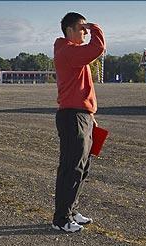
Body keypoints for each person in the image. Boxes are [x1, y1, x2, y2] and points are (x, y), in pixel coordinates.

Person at [51, 12, 105, 233]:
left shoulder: (73, 53)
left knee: (82, 168)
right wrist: (95, 27)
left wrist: (91, 116)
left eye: (86, 29)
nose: (85, 32)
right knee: (71, 168)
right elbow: (98, 48)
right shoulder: (67, 50)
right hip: (73, 116)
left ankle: (71, 211)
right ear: (69, 30)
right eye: (81, 28)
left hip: (82, 115)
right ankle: (61, 219)